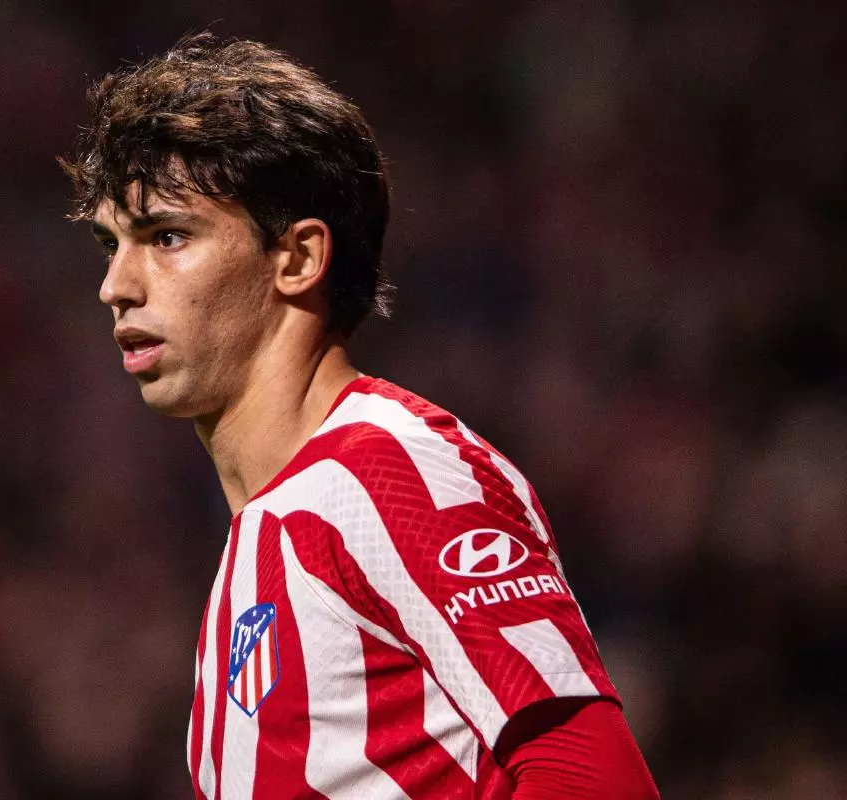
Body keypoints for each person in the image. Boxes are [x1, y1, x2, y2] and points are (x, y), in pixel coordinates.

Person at [61, 33, 659, 800]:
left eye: (167, 236)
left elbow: (598, 783)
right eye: (112, 245)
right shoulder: (257, 549)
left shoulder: (392, 471)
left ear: (299, 258)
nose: (115, 284)